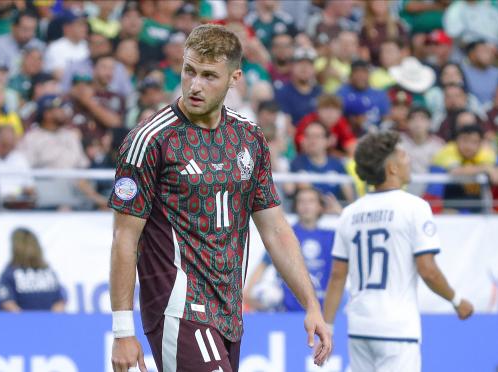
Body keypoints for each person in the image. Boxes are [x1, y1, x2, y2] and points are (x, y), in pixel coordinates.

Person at [108, 24, 332, 372]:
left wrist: (311, 304)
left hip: (228, 310)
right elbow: (125, 237)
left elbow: (274, 229)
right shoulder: (150, 140)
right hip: (176, 307)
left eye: (209, 75)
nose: (195, 85)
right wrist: (122, 330)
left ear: (234, 78)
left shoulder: (249, 137)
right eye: (189, 71)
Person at [322, 130, 474, 372]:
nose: (408, 159)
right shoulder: (415, 207)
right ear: (391, 167)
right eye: (403, 154)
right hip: (396, 329)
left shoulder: (350, 213)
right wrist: (456, 300)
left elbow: (338, 275)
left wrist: (327, 326)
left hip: (359, 327)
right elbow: (428, 270)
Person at [245, 187, 337, 312]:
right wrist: (247, 294)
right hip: (289, 313)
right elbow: (263, 265)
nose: (306, 206)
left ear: (320, 207)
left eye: (311, 201)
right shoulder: (286, 234)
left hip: (323, 312)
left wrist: (340, 212)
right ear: (296, 206)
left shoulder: (331, 236)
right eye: (301, 201)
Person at [0, 227, 66, 312]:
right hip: (27, 323)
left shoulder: (47, 272)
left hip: (37, 323)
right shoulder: (11, 273)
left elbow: (60, 301)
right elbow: (7, 303)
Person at [290, 121, 355, 204]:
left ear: (328, 140)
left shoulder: (337, 164)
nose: (312, 140)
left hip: (334, 213)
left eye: (317, 136)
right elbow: (290, 191)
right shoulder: (296, 163)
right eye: (308, 136)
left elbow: (350, 197)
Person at [0, 10, 44, 76]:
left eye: (32, 29)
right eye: (25, 29)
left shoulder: (39, 46)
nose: (28, 34)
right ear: (13, 27)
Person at [274, 47, 323, 125]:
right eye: (300, 63)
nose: (304, 67)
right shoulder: (283, 92)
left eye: (309, 64)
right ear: (291, 66)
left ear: (314, 69)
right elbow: (286, 124)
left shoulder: (320, 92)